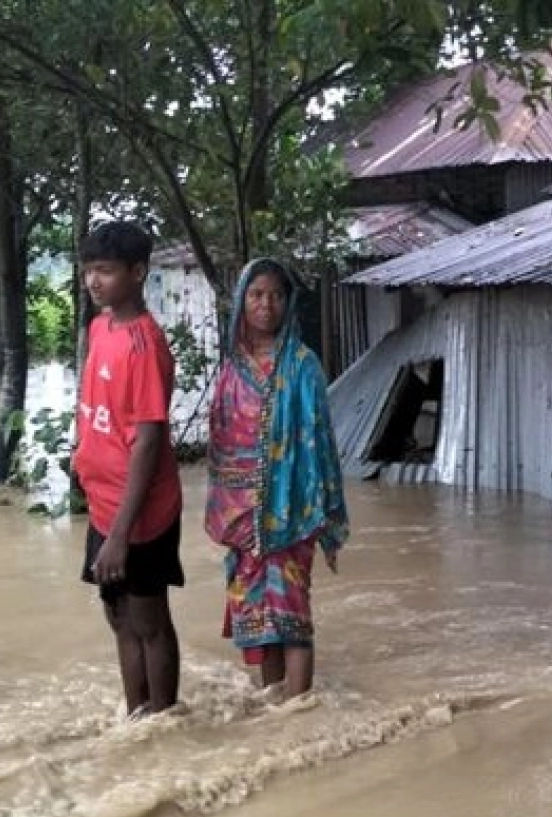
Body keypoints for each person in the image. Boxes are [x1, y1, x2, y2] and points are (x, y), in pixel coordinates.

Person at [205, 258, 348, 696]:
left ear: (288, 304)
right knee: (260, 625)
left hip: (292, 514)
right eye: (256, 295)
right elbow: (220, 444)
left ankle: (299, 711)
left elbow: (320, 444)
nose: (266, 304)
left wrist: (323, 511)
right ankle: (275, 718)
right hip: (242, 519)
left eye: (276, 295)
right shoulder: (231, 368)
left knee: (292, 618)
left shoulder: (304, 366)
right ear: (242, 301)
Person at [72, 221, 185, 717]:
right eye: (89, 271)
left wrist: (121, 533)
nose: (94, 281)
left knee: (149, 620)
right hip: (103, 504)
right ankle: (135, 714)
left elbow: (147, 441)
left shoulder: (145, 344)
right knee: (117, 615)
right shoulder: (100, 328)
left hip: (139, 514)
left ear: (137, 273)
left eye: (106, 271)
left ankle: (163, 718)